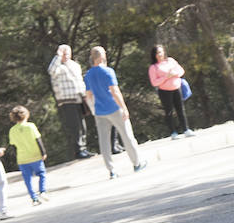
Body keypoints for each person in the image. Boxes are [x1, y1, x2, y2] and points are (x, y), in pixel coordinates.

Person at [84, 46, 147, 179]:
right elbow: (115, 91)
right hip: (114, 108)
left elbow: (88, 95)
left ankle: (112, 170)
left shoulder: (88, 74)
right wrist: (124, 107)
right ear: (101, 56)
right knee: (127, 136)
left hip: (100, 111)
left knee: (104, 141)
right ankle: (136, 163)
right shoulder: (108, 71)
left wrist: (93, 109)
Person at [48, 44, 94, 160]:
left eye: (68, 53)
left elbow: (80, 81)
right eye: (63, 53)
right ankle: (78, 151)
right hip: (67, 100)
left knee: (82, 125)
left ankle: (83, 148)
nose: (66, 56)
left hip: (79, 99)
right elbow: (51, 71)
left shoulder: (74, 65)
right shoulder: (57, 67)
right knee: (75, 126)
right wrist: (58, 56)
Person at [148, 45, 194, 140]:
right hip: (164, 91)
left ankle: (186, 130)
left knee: (181, 109)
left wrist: (175, 74)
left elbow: (181, 71)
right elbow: (154, 82)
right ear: (154, 55)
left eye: (161, 52)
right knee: (169, 111)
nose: (160, 54)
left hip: (177, 88)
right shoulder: (153, 67)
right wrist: (166, 77)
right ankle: (173, 133)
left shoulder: (171, 61)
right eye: (157, 53)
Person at [8, 105, 49, 205]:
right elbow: (38, 140)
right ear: (26, 115)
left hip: (22, 159)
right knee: (41, 174)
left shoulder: (12, 130)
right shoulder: (31, 126)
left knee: (27, 179)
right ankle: (42, 191)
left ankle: (34, 198)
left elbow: (13, 146)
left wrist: (16, 158)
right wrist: (43, 152)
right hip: (35, 156)